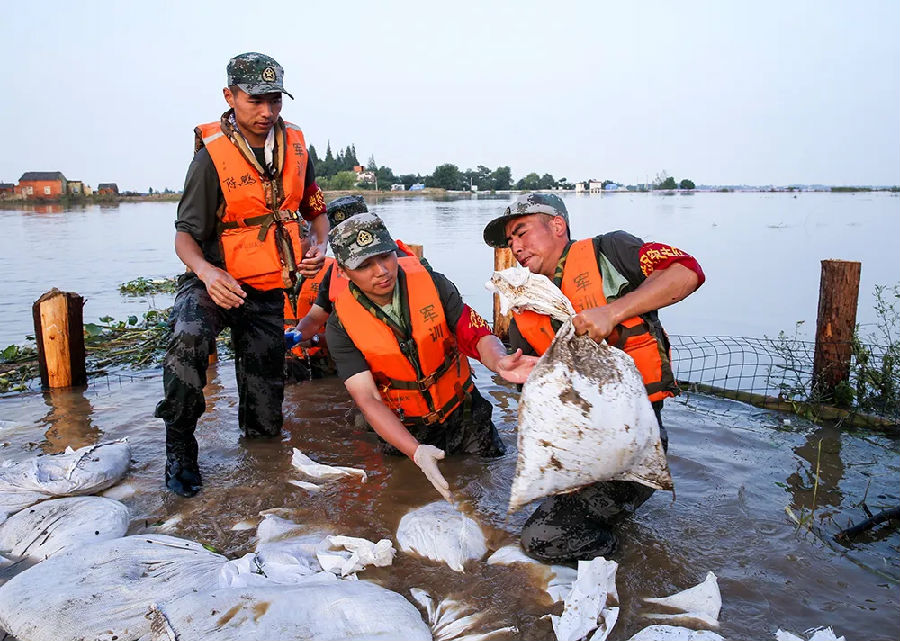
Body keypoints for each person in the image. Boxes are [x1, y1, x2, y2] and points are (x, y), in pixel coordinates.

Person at [482, 192, 705, 562]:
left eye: (522, 232)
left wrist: (613, 312)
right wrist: (520, 372)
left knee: (539, 540)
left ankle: (629, 564)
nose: (516, 246)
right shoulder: (524, 303)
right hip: (581, 449)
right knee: (542, 515)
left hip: (634, 446)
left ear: (557, 226)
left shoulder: (611, 252)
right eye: (510, 241)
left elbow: (687, 271)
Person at [155, 52, 329, 497]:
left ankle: (263, 478)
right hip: (213, 281)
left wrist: (317, 244)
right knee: (188, 337)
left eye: (275, 100)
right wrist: (207, 273)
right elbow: (184, 238)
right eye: (255, 100)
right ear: (230, 96)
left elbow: (316, 213)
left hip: (267, 287)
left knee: (266, 423)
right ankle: (180, 447)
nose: (266, 112)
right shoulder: (211, 157)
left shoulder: (295, 147)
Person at [325, 213, 537, 501]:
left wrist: (500, 361)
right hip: (407, 427)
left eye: (385, 256)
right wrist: (414, 451)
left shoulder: (433, 284)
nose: (381, 271)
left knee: (493, 489)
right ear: (342, 270)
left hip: (465, 414)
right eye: (364, 265)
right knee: (409, 498)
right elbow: (369, 399)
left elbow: (473, 332)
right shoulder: (340, 327)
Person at [283, 195, 369, 380]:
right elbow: (315, 318)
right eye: (338, 236)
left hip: (354, 358)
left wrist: (314, 340)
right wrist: (296, 336)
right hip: (306, 361)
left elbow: (358, 337)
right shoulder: (335, 273)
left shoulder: (393, 268)